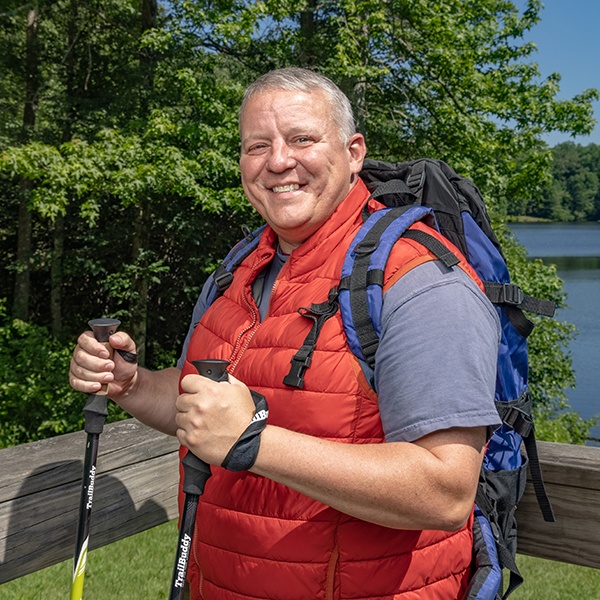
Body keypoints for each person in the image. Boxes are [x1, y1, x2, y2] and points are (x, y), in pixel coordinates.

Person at [70, 67, 502, 599]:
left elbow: (444, 490)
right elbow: (201, 410)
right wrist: (130, 383)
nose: (278, 161)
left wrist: (253, 441)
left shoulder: (419, 280)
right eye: (258, 145)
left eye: (302, 139)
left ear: (354, 152)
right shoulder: (239, 267)